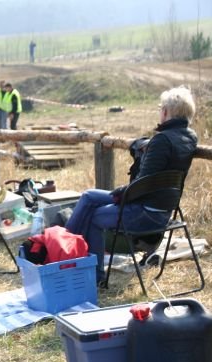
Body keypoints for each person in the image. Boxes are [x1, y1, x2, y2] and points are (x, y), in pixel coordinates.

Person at [65, 86, 198, 284]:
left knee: (92, 215)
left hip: (146, 213)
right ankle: (66, 247)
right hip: (164, 211)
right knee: (88, 196)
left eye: (160, 108)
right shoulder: (190, 137)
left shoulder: (162, 140)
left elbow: (143, 184)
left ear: (165, 112)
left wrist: (122, 192)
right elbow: (152, 179)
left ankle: (79, 264)